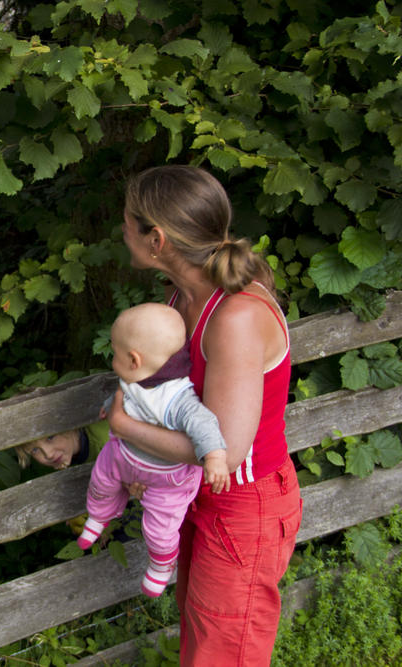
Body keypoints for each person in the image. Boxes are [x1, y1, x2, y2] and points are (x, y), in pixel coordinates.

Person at [106, 165, 301, 665]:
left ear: (157, 238)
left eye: (128, 221)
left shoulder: (234, 315)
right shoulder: (182, 299)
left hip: (244, 504)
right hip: (200, 492)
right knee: (205, 642)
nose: (120, 229)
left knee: (224, 653)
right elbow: (176, 405)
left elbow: (226, 450)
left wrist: (126, 428)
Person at [76, 302, 229, 598]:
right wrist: (109, 407)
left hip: (166, 479)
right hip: (123, 457)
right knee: (100, 480)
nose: (112, 361)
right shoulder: (136, 379)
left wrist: (215, 457)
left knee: (160, 527)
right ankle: (98, 516)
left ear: (134, 359)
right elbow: (126, 398)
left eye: (115, 355)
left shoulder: (176, 398)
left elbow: (204, 423)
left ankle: (161, 564)